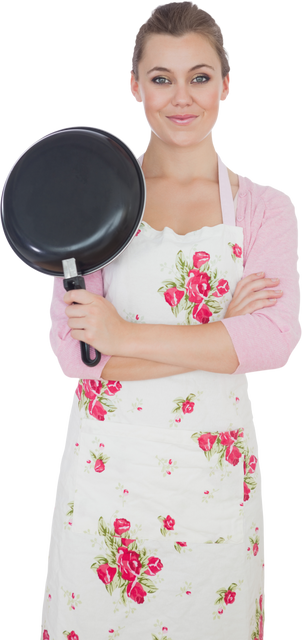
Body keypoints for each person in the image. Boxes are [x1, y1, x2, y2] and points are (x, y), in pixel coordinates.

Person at [39, 1, 300, 638]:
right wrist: (219, 337)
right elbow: (75, 358)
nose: (182, 97)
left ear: (227, 85)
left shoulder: (265, 208)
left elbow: (272, 343)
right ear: (133, 86)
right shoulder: (94, 202)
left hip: (211, 480)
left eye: (200, 77)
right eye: (161, 78)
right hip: (110, 481)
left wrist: (123, 337)